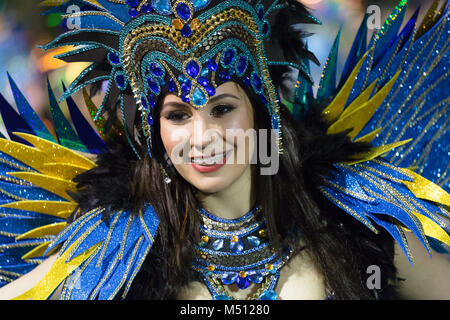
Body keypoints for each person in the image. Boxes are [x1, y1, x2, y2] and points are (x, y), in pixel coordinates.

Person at [0, 0, 448, 300]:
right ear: (156, 131)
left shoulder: (351, 208)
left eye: (222, 108)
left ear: (261, 109)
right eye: (178, 115)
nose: (203, 137)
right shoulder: (118, 244)